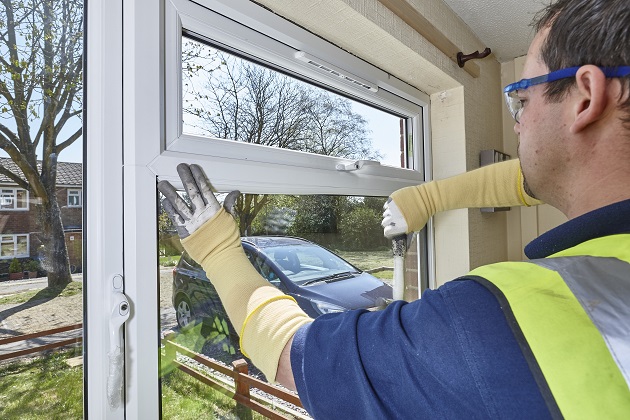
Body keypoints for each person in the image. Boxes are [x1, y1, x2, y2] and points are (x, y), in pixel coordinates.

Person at [158, 0, 630, 417]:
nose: (519, 125)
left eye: (521, 99)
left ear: (585, 97)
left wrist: (216, 249)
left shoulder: (506, 317)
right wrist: (427, 197)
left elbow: (293, 358)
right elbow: (533, 178)